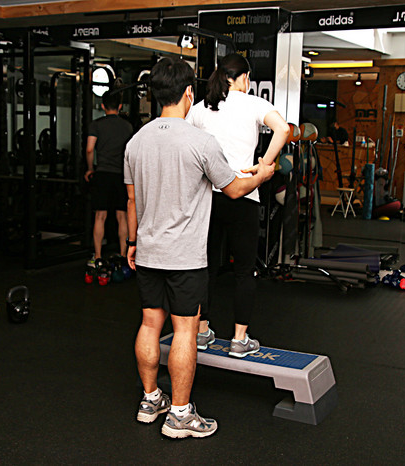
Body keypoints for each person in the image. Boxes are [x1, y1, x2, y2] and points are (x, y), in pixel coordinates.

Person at [125, 57, 275, 439]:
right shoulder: (200, 141)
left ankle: (150, 400)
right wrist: (263, 174)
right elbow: (235, 189)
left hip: (148, 250)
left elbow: (132, 201)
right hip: (184, 258)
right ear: (189, 93)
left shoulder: (136, 141)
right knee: (185, 330)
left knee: (149, 323)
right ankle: (179, 415)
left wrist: (132, 242)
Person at [186, 53, 289, 358]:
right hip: (244, 195)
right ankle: (239, 340)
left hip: (209, 197)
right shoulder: (253, 103)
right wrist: (264, 164)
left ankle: (201, 332)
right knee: (244, 271)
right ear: (244, 78)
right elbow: (283, 129)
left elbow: (186, 142)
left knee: (206, 267)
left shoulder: (201, 107)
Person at [84, 90, 133, 262]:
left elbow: (89, 149)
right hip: (122, 175)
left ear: (103, 106)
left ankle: (98, 256)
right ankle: (123, 255)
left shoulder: (96, 125)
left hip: (102, 173)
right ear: (120, 106)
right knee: (122, 216)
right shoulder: (128, 127)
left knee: (100, 216)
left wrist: (90, 168)